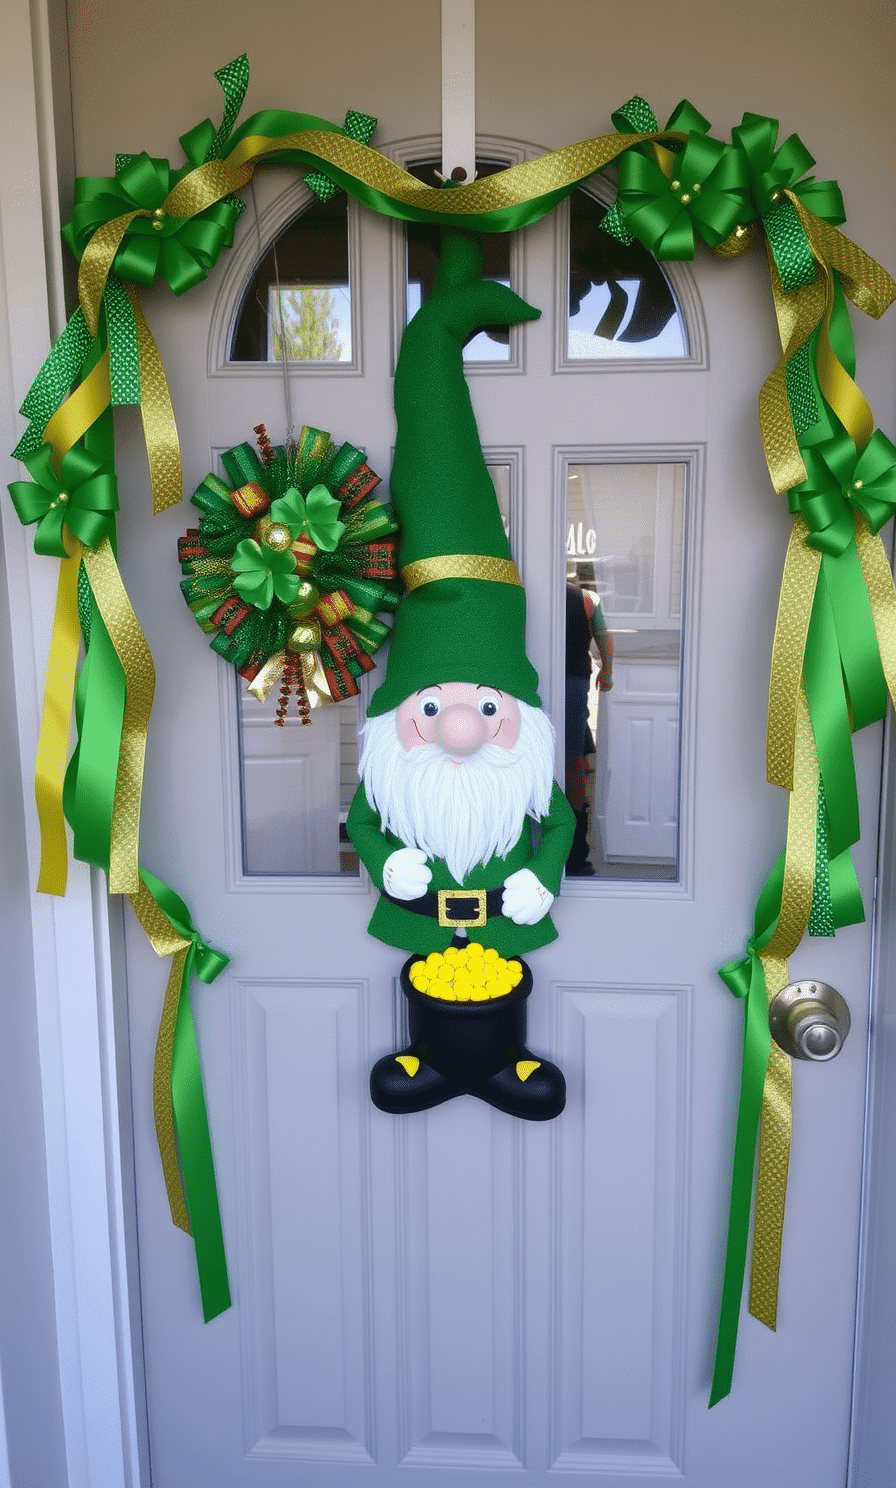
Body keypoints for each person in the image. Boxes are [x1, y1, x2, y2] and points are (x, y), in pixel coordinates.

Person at [347, 227, 575, 1120]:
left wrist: (542, 877)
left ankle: (447, 302)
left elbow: (554, 823)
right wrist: (385, 856)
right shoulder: (394, 771)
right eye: (435, 708)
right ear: (402, 708)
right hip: (424, 939)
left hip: (505, 935)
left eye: (484, 708)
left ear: (514, 707)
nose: (460, 731)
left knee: (499, 1005)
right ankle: (448, 306)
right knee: (434, 1006)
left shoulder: (521, 768)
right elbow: (365, 820)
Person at [565, 577, 613, 874]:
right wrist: (607, 671)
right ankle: (576, 855)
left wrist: (607, 670)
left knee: (573, 762)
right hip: (575, 683)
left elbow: (604, 635)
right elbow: (603, 635)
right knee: (575, 762)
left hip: (556, 682)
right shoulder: (587, 599)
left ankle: (574, 853)